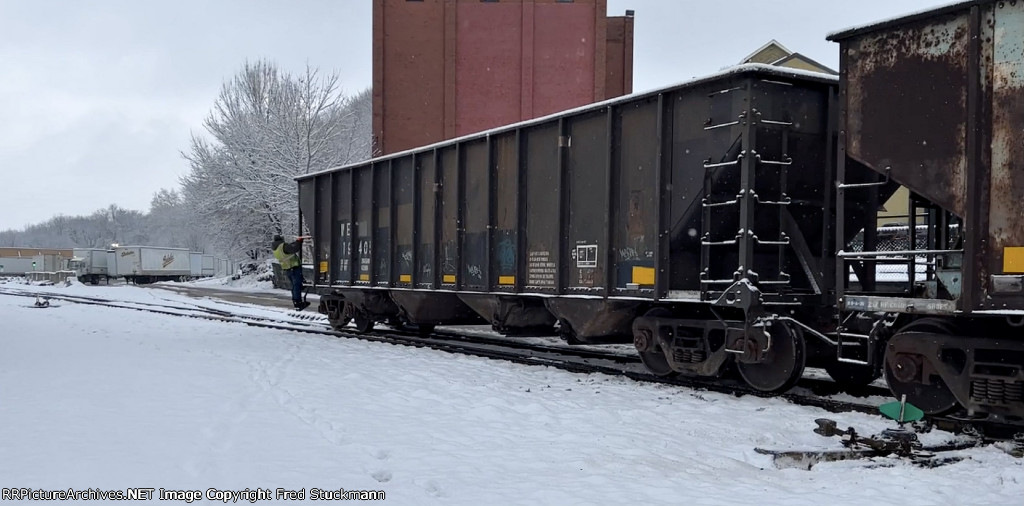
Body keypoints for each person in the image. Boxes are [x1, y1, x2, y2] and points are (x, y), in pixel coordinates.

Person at [272, 234, 310, 311]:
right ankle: (298, 303)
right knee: (296, 285)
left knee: (295, 285)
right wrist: (298, 242)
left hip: (287, 269)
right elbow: (294, 248)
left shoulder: (276, 249)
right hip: (293, 267)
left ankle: (297, 301)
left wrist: (297, 242)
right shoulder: (283, 246)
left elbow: (290, 247)